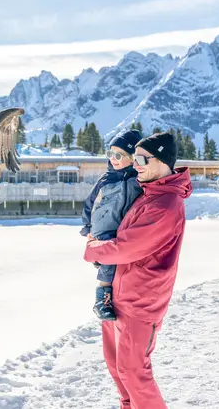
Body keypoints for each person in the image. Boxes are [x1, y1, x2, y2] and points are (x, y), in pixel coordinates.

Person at [83, 132, 192, 409]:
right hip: (118, 296)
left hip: (141, 302)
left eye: (143, 158)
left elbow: (127, 247)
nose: (137, 164)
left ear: (163, 161)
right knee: (117, 367)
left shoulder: (165, 204)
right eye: (136, 158)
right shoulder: (148, 192)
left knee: (134, 372)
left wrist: (93, 249)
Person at [80, 129, 143, 321]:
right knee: (109, 261)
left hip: (121, 227)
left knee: (117, 260)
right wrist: (87, 229)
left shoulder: (137, 180)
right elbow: (89, 204)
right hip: (103, 229)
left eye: (118, 155)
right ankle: (102, 300)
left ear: (133, 158)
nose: (113, 159)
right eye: (110, 154)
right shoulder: (106, 179)